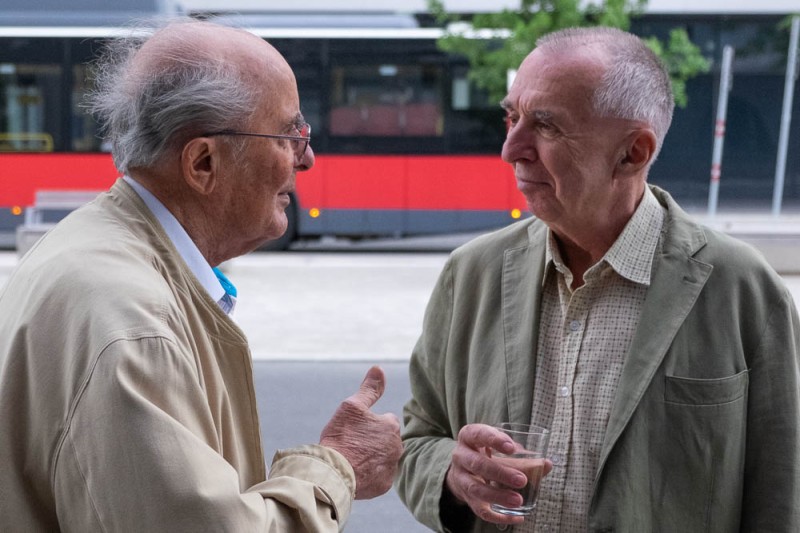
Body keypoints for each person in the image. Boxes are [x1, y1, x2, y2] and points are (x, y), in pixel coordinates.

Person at [0, 19, 403, 532]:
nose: (307, 158)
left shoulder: (94, 246)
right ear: (203, 162)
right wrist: (333, 469)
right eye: (288, 134)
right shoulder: (133, 321)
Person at [395, 26, 800, 532]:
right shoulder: (471, 274)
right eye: (512, 117)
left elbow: (783, 495)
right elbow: (417, 440)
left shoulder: (741, 289)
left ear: (633, 152)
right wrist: (454, 476)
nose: (511, 148)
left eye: (546, 127)